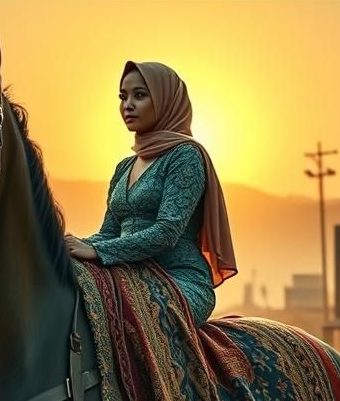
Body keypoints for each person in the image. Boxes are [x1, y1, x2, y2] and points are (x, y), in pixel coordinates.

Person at [65, 61, 238, 326]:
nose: (128, 104)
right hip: (129, 275)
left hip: (178, 279)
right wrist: (68, 245)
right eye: (123, 97)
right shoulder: (124, 167)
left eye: (140, 95)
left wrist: (96, 251)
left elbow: (166, 233)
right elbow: (109, 233)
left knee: (141, 319)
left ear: (165, 100)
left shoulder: (185, 156)